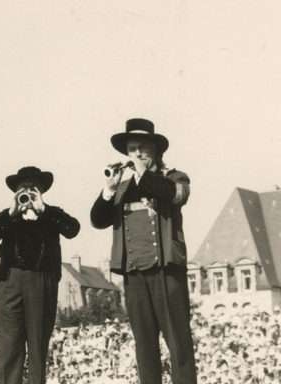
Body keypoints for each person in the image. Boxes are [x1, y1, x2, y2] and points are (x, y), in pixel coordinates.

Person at [90, 118, 197, 384]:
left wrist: (140, 174)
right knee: (144, 346)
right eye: (131, 149)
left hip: (166, 273)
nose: (136, 153)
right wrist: (108, 190)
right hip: (134, 275)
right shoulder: (122, 189)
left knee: (179, 343)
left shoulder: (173, 177)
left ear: (156, 150)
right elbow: (97, 219)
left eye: (142, 148)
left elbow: (174, 194)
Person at [0, 166, 80, 384]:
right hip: (11, 281)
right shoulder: (9, 217)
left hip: (42, 280)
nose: (27, 193)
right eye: (22, 189)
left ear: (42, 191)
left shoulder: (52, 214)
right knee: (9, 345)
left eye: (32, 188)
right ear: (15, 192)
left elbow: (72, 229)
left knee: (37, 346)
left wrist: (43, 209)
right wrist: (10, 213)